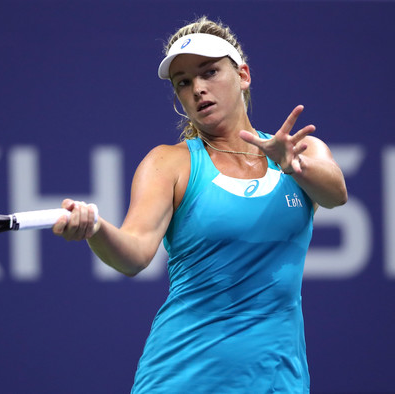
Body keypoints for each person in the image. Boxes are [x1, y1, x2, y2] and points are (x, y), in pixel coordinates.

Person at [52, 16, 347, 393]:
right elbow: (134, 254)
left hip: (279, 382)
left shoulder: (299, 151)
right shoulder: (168, 163)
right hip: (180, 379)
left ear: (243, 74)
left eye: (209, 72)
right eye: (184, 83)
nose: (198, 89)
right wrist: (95, 229)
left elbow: (335, 194)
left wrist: (293, 166)